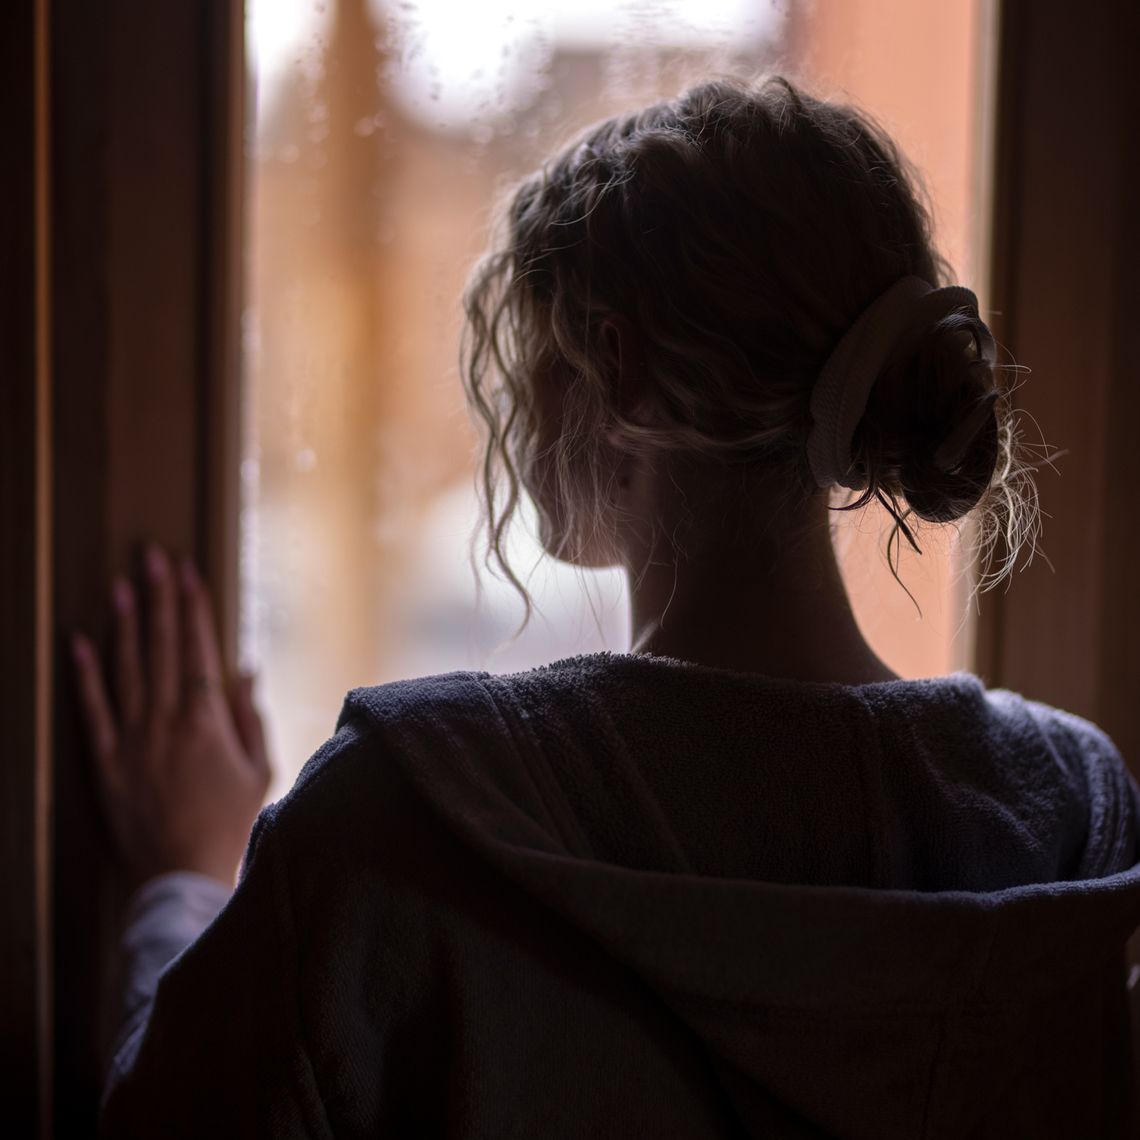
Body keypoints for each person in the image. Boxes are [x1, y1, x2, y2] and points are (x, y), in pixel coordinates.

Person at [73, 76, 1140, 1138]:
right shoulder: (1069, 821)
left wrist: (180, 876)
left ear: (619, 373)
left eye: (533, 353)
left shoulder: (407, 824)